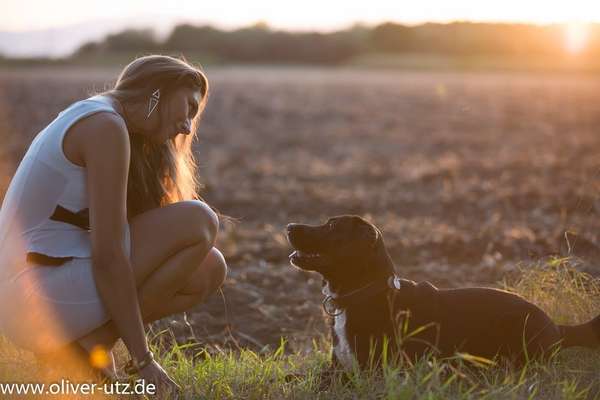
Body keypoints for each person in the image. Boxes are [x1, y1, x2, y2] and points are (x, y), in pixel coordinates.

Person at [0, 55, 227, 394]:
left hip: (43, 284)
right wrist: (144, 360)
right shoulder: (104, 126)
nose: (187, 127)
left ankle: (90, 346)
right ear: (156, 93)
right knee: (199, 220)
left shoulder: (105, 119)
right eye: (189, 108)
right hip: (29, 294)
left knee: (208, 269)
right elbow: (108, 255)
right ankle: (88, 349)